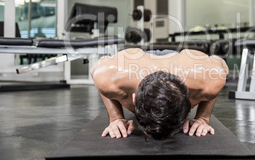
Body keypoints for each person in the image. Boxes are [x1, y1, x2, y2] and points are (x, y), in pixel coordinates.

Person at [90, 48, 229, 140]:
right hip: (135, 63)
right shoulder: (110, 76)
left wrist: (203, 118)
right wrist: (115, 118)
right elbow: (96, 67)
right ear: (134, 98)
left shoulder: (209, 80)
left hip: (181, 63)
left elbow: (222, 65)